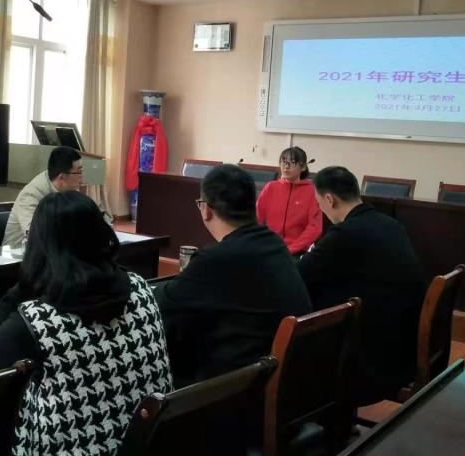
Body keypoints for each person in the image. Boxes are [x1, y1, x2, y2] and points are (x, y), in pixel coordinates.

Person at [0, 191, 172, 455]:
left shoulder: (40, 319)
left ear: (40, 246)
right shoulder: (141, 288)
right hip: (144, 445)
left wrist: (24, 285)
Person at [156, 164, 312, 386]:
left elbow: (162, 302)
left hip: (241, 386)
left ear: (206, 210)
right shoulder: (273, 243)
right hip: (288, 377)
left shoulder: (219, 258)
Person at [299, 166, 427, 405]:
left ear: (329, 199)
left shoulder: (345, 234)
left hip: (372, 360)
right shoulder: (391, 225)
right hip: (403, 347)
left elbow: (300, 275)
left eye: (319, 202)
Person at [2, 146, 87, 248]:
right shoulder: (31, 195)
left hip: (55, 250)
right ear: (62, 177)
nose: (82, 178)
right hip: (18, 253)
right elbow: (35, 235)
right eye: (79, 172)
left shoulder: (69, 188)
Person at [256, 146, 322, 257]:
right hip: (268, 248)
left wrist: (291, 249)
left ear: (303, 167)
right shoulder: (271, 187)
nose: (286, 166)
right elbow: (257, 218)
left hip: (296, 252)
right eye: (283, 162)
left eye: (292, 162)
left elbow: (314, 227)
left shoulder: (311, 192)